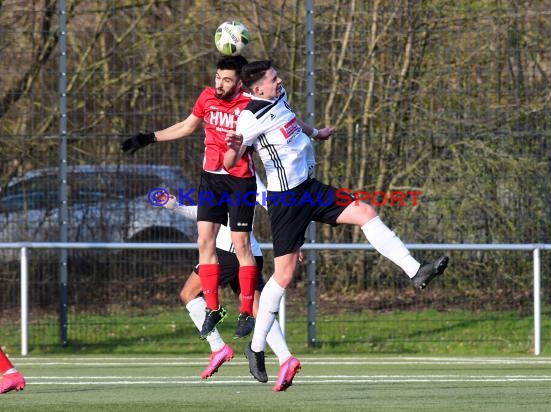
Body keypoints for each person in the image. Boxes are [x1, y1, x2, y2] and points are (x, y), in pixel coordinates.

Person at [224, 60, 449, 390]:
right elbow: (231, 162)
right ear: (258, 88)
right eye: (273, 79)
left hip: (311, 189)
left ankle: (416, 271)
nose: (279, 80)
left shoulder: (279, 97)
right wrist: (232, 150)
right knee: (283, 276)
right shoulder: (248, 117)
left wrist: (317, 132)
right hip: (287, 202)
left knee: (366, 212)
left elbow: (292, 120)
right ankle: (256, 349)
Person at [121, 55, 258, 340]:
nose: (220, 84)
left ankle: (246, 312)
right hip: (211, 178)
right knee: (204, 242)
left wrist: (312, 133)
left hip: (240, 181)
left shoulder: (251, 103)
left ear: (240, 81)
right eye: (218, 77)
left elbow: (282, 120)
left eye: (227, 80)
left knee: (240, 244)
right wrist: (149, 138)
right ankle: (214, 308)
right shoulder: (207, 97)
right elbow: (186, 127)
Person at [157, 177, 298, 390]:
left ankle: (219, 348)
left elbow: (271, 203)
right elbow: (209, 214)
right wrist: (176, 207)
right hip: (247, 253)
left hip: (230, 253)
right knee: (258, 308)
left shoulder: (242, 174)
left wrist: (294, 240)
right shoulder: (217, 173)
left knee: (189, 294)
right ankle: (286, 358)